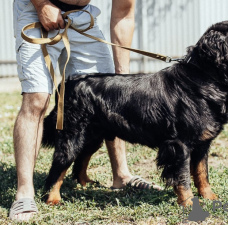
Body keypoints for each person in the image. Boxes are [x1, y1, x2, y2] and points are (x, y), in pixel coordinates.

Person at [10, 0, 161, 221]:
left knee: (109, 96)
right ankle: (24, 192)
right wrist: (42, 4)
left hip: (82, 17)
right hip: (36, 10)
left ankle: (121, 175)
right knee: (37, 99)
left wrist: (121, 75)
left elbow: (123, 14)